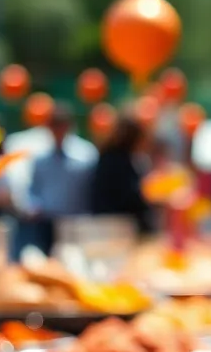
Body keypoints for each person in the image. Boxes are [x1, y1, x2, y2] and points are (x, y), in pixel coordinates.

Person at [25, 103, 92, 255]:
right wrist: (33, 206)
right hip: (46, 223)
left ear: (68, 126)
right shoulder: (40, 159)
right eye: (54, 126)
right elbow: (33, 189)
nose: (57, 131)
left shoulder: (86, 155)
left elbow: (91, 190)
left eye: (60, 126)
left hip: (76, 223)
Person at [89, 112, 154, 235]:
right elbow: (127, 196)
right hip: (116, 226)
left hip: (115, 223)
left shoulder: (114, 157)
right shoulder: (116, 160)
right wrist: (148, 192)